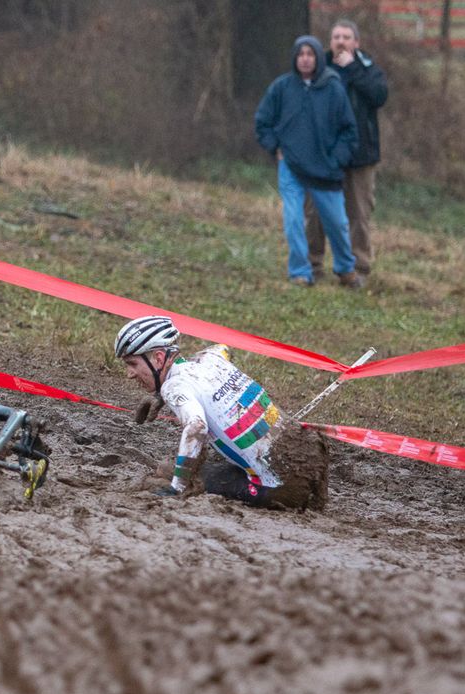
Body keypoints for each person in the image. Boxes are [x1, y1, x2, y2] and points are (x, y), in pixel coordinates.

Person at [115, 316, 328, 510]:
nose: (130, 374)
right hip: (311, 455)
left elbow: (197, 427)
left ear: (159, 358)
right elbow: (222, 347)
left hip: (278, 487)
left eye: (132, 364)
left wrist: (178, 487)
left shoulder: (174, 387)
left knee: (167, 470)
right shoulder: (209, 358)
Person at [254, 35, 359, 289]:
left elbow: (349, 132)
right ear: (294, 58)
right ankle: (300, 272)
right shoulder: (281, 87)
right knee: (293, 221)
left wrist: (336, 160)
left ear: (318, 58)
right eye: (300, 54)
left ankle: (345, 269)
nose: (305, 59)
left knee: (337, 224)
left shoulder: (333, 88)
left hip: (325, 171)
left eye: (310, 54)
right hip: (291, 167)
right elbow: (262, 122)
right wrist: (274, 146)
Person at [306, 19, 388, 290]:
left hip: (361, 157)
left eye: (346, 37)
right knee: (315, 211)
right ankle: (312, 264)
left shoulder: (367, 68)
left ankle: (359, 267)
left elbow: (379, 96)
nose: (340, 41)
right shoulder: (318, 67)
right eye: (336, 36)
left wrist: (351, 69)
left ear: (356, 42)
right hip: (323, 155)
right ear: (329, 41)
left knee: (359, 214)